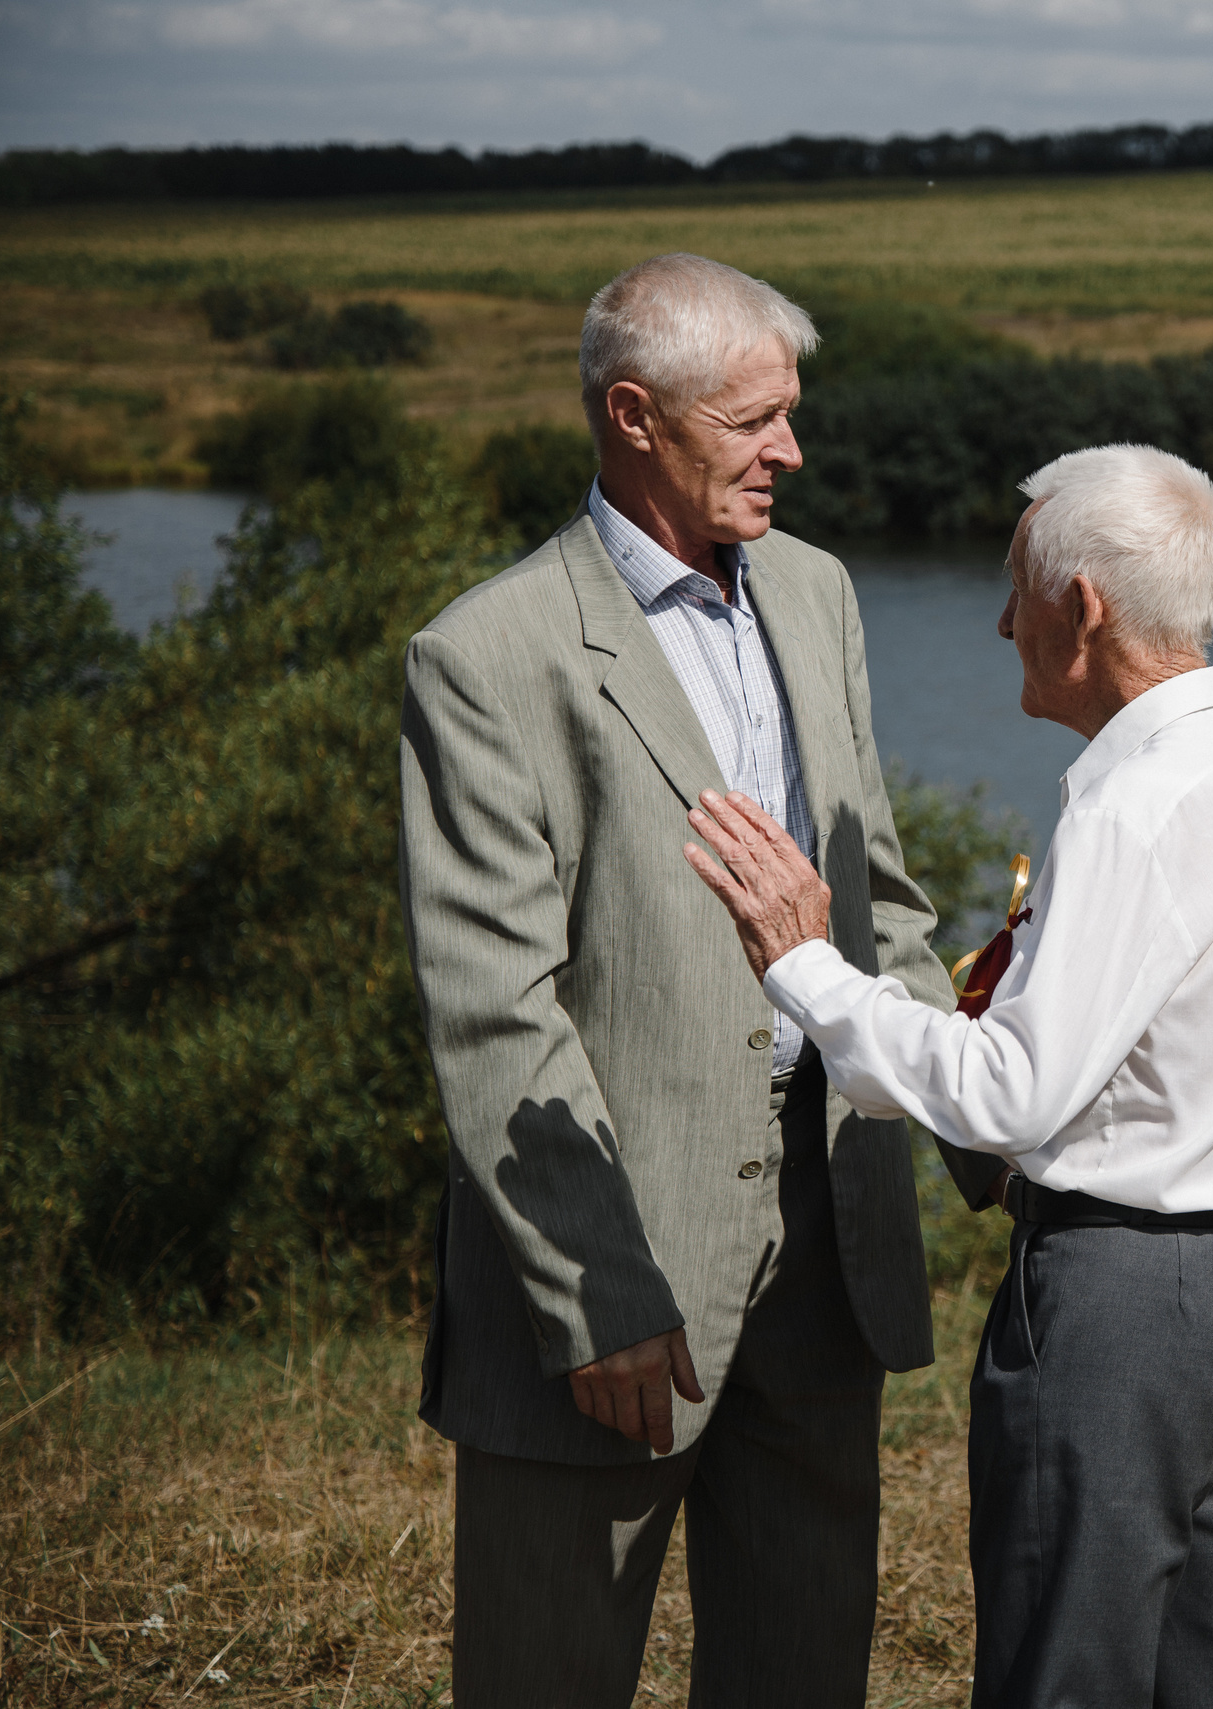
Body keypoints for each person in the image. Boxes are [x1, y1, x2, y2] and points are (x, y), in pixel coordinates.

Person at [398, 252, 1002, 1706]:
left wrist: (999, 1132)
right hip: (614, 1272)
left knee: (803, 1670)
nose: (791, 449)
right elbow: (492, 1011)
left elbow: (880, 900)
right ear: (634, 416)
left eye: (791, 412)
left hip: (831, 1244)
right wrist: (597, 1288)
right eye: (752, 421)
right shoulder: (484, 655)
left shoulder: (817, 590)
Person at [684, 442, 1213, 1708]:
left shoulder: (1135, 806)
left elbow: (1012, 1093)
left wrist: (804, 963)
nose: (1002, 623)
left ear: (1081, 605)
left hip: (1117, 1302)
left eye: (1015, 589)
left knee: (1063, 1676)